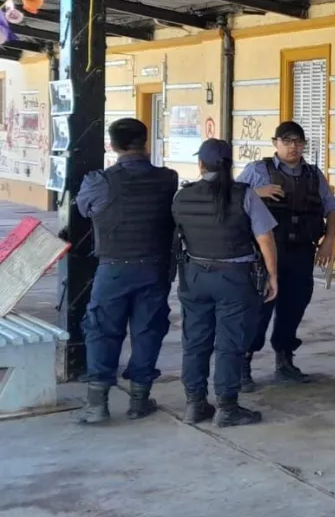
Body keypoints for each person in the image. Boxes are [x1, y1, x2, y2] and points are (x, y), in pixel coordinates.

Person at [75, 118, 179, 424]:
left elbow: (85, 209)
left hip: (113, 268)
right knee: (148, 331)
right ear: (145, 141)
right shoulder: (168, 178)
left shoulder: (100, 180)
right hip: (155, 268)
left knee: (102, 331)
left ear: (113, 145)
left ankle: (97, 406)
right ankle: (139, 401)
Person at [172, 139, 279, 427]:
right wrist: (272, 275)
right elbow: (265, 238)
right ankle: (227, 407)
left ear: (200, 165)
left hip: (194, 276)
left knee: (194, 342)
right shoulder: (245, 195)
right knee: (230, 342)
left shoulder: (182, 197)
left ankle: (195, 405)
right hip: (235, 279)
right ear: (229, 165)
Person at [236, 121, 335, 389]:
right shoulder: (259, 170)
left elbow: (332, 208)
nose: (293, 146)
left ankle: (285, 359)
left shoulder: (314, 175)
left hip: (302, 252)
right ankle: (243, 363)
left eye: (298, 141)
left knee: (294, 307)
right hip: (265, 253)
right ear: (275, 143)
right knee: (259, 308)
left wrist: (330, 239)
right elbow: (229, 198)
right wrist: (257, 192)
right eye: (287, 141)